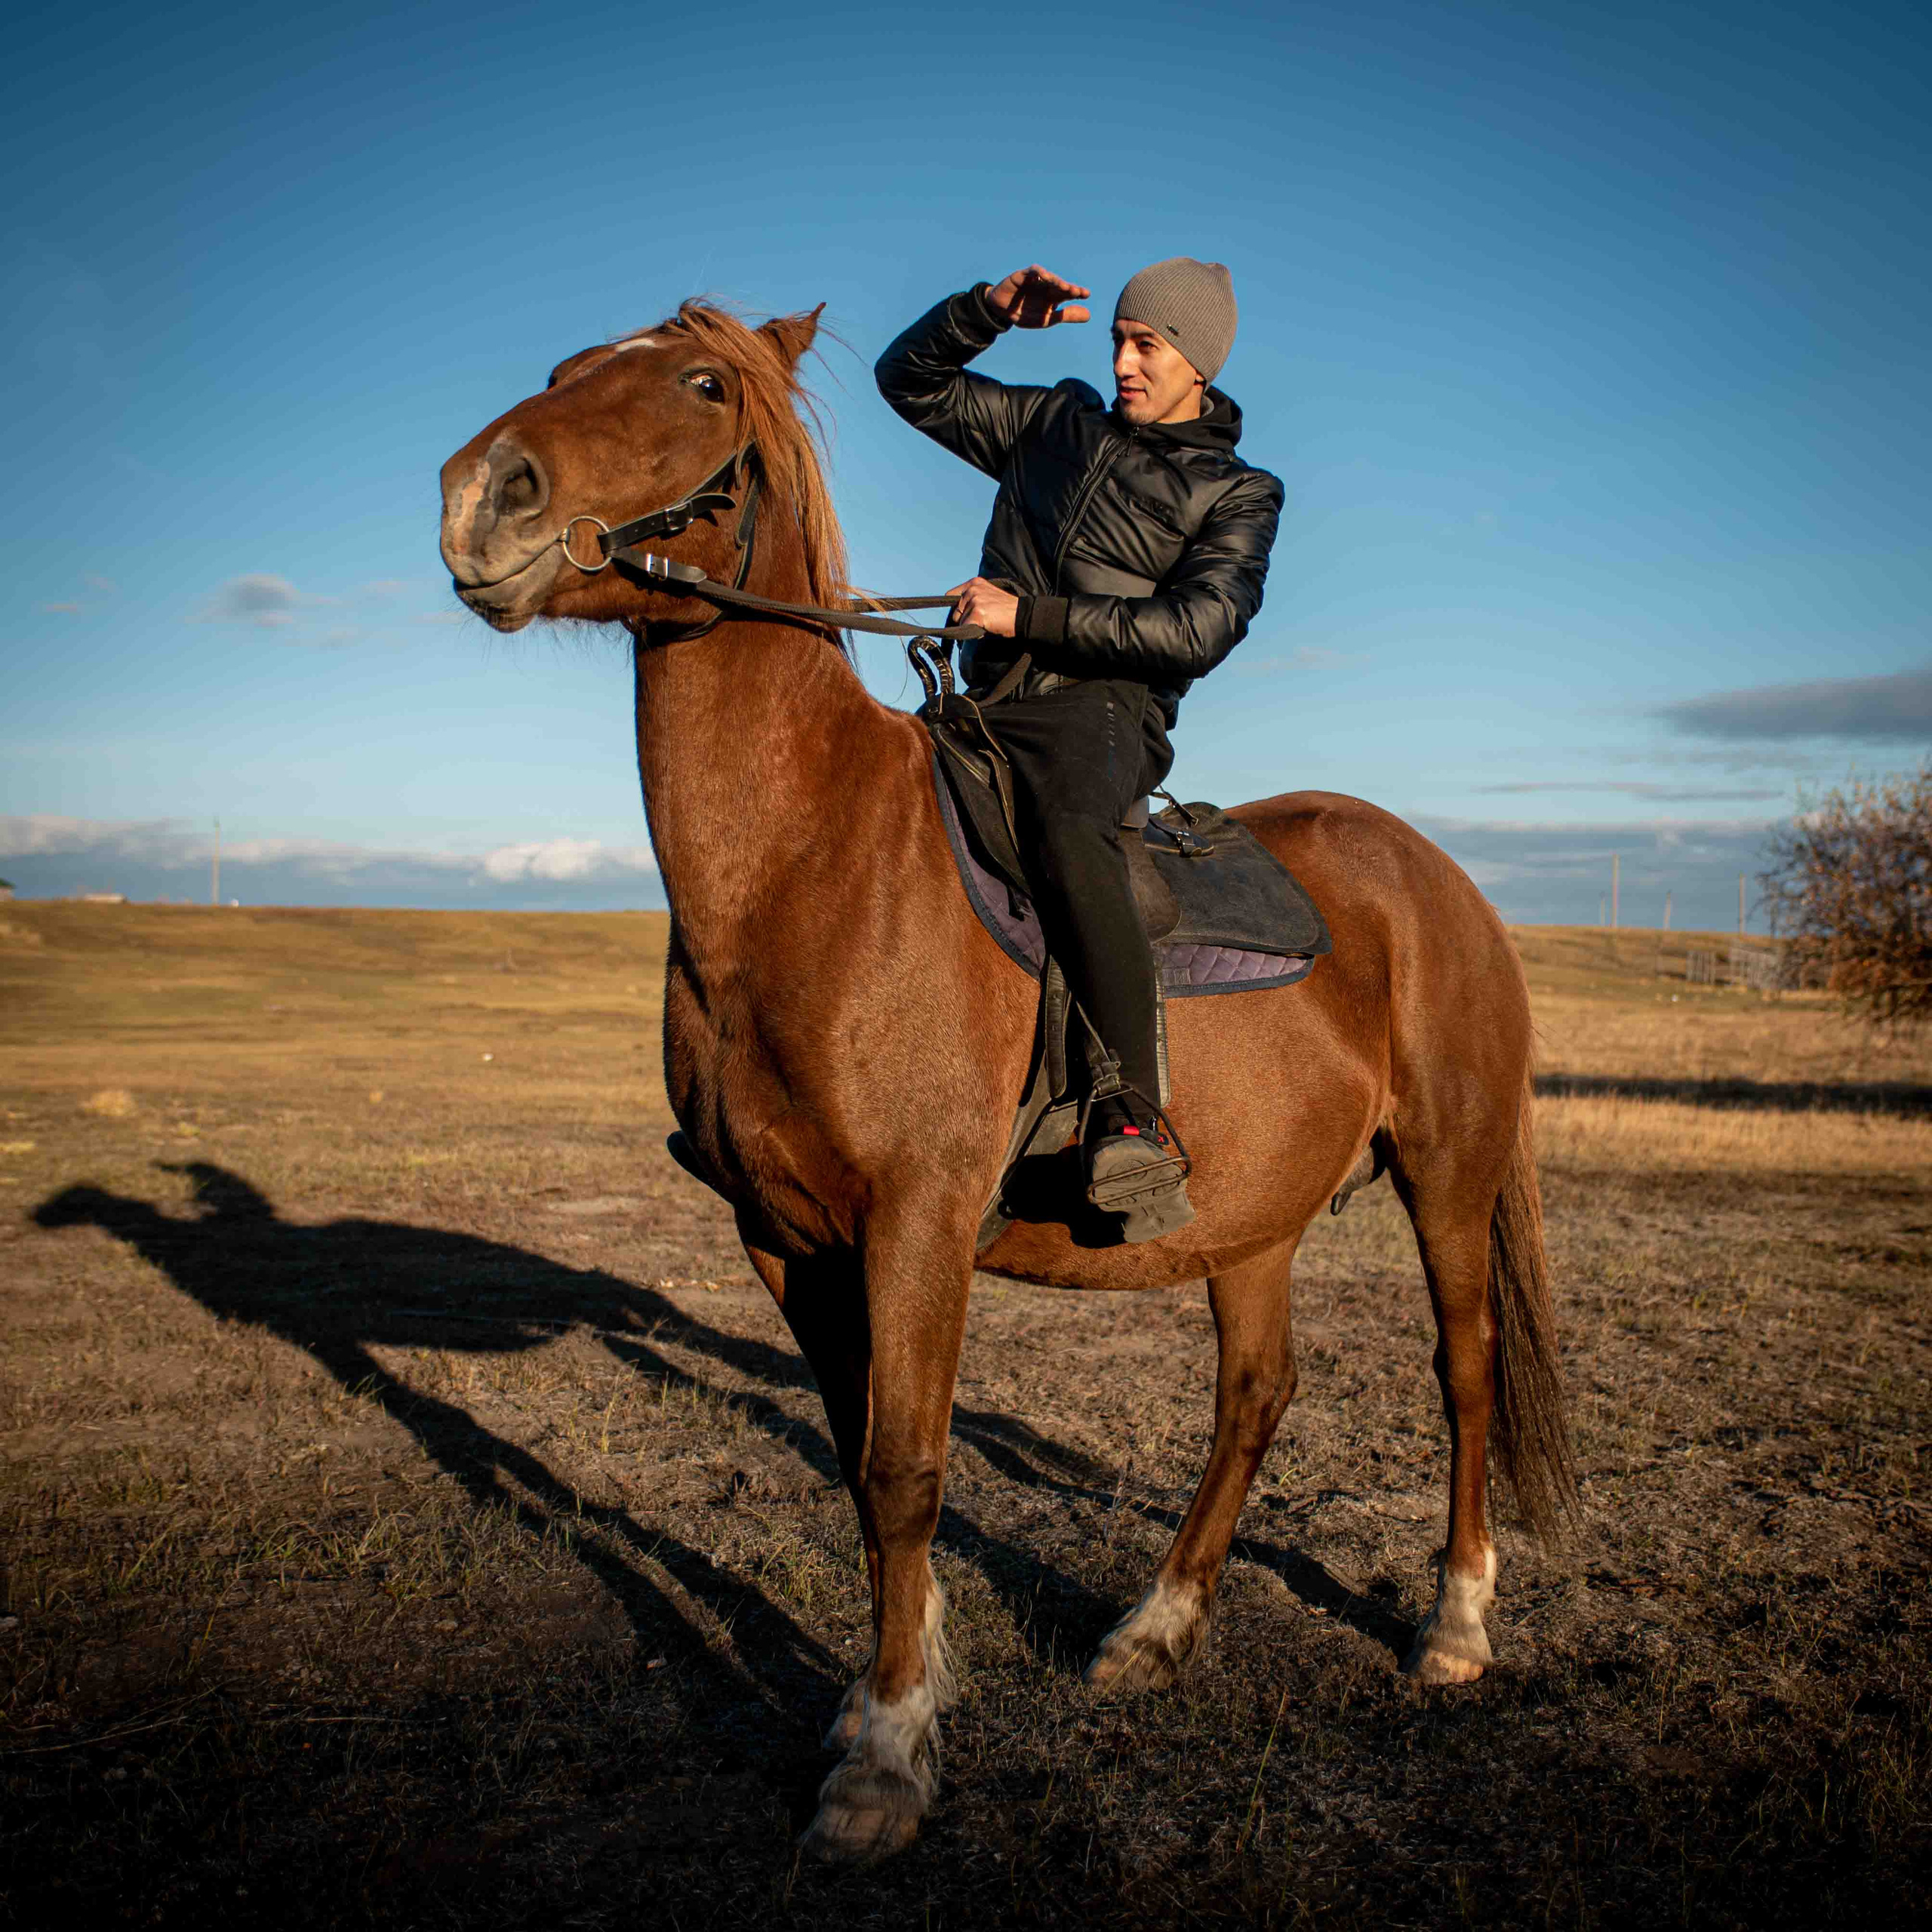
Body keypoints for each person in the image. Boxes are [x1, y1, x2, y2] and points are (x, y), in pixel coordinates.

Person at [876, 259, 1283, 1239]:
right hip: (978, 701)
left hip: (1100, 712)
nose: (1124, 360)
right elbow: (910, 383)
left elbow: (1199, 629)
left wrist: (1031, 614)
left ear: (1198, 361)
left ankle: (1129, 1118)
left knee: (1069, 832)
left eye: (1148, 344)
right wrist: (982, 314)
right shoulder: (1051, 422)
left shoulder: (1235, 491)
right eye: (1118, 338)